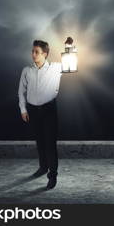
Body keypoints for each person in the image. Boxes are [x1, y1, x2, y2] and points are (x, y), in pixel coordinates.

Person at [18, 38, 70, 189]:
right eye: (32, 51)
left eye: (37, 52)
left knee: (50, 144)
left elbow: (73, 62)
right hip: (32, 111)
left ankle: (52, 176)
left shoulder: (56, 68)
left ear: (45, 54)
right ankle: (43, 167)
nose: (33, 54)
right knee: (39, 141)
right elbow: (21, 92)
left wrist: (69, 47)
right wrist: (23, 109)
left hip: (49, 110)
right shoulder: (26, 70)